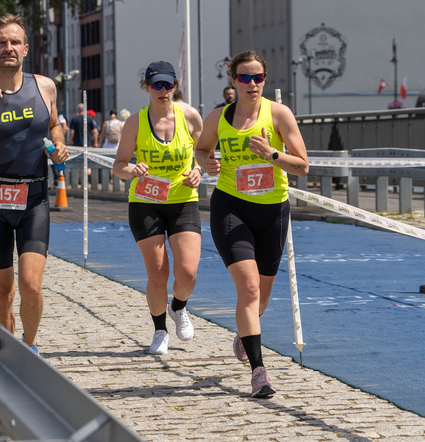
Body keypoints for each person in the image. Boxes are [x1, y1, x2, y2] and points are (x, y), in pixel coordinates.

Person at [194, 50, 309, 398]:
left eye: (258, 77)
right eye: (244, 77)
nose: (252, 84)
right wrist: (208, 163)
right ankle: (260, 372)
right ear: (233, 81)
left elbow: (303, 166)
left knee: (262, 297)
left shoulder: (278, 114)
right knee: (249, 289)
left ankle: (246, 331)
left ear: (265, 80)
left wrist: (272, 155)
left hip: (273, 211)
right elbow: (201, 150)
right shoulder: (218, 117)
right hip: (231, 208)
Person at [0, 13, 68, 354]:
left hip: (34, 196)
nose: (9, 47)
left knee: (30, 285)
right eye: (1, 42)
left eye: (15, 42)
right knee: (2, 292)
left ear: (25, 48)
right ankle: (7, 355)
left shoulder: (45, 86)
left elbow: (53, 125)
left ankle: (29, 346)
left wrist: (58, 143)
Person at [112, 60, 204, 355]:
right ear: (147, 87)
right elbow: (118, 165)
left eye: (168, 85)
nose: (163, 90)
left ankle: (178, 306)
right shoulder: (135, 123)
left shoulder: (190, 116)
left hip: (182, 200)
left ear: (176, 86)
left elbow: (204, 153)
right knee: (158, 274)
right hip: (145, 203)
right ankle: (160, 330)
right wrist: (132, 171)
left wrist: (199, 170)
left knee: (188, 273)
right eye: (157, 85)